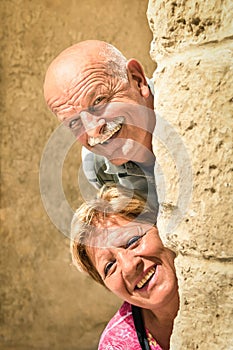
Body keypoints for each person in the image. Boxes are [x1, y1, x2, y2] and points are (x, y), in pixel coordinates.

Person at [43, 40, 159, 214]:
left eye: (98, 102)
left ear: (137, 79)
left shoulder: (188, 105)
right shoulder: (97, 166)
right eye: (75, 122)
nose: (92, 131)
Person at [70, 185, 179, 350]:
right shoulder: (116, 344)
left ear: (161, 229)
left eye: (132, 241)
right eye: (110, 266)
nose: (129, 267)